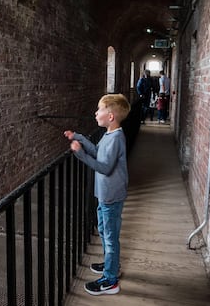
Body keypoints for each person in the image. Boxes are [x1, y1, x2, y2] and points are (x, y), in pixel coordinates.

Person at [64, 93, 130, 296]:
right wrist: (79, 137)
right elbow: (97, 151)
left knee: (110, 237)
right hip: (105, 194)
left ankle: (111, 280)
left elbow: (104, 167)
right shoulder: (109, 134)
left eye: (99, 109)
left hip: (111, 194)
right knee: (103, 229)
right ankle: (112, 264)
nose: (96, 112)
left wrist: (79, 153)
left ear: (110, 116)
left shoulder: (115, 138)